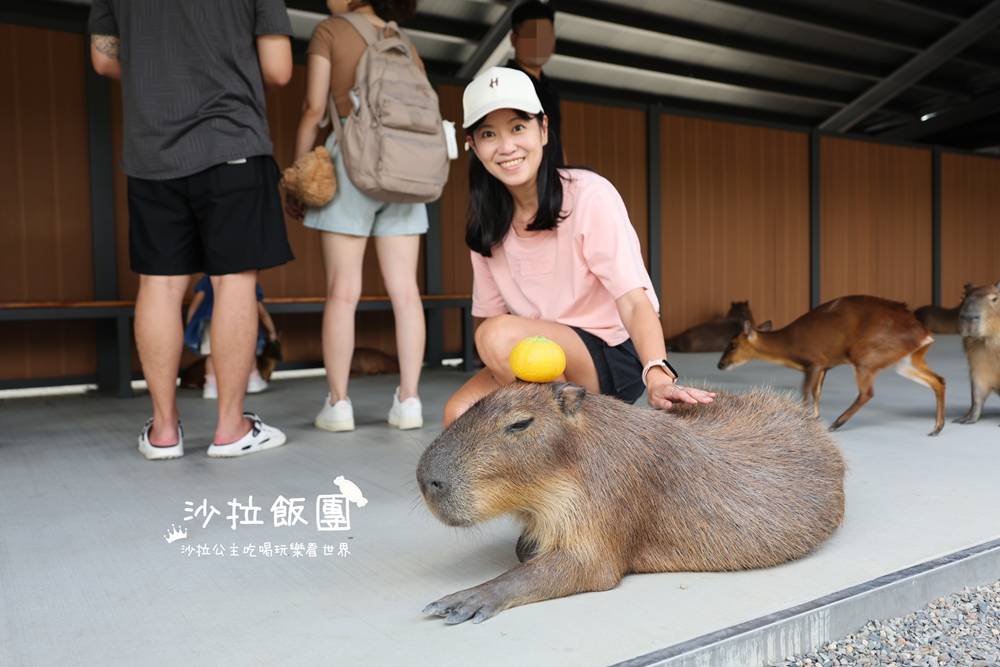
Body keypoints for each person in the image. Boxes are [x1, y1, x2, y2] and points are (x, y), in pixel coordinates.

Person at [443, 67, 716, 426]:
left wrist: (657, 372)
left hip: (610, 354)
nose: (506, 146)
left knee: (496, 334)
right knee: (459, 418)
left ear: (543, 130)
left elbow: (634, 300)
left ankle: (583, 435)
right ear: (473, 146)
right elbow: (492, 322)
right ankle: (558, 440)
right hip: (535, 361)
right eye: (489, 134)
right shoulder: (486, 224)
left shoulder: (587, 194)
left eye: (518, 127)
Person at [89, 0, 294, 460]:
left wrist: (161, 77)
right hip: (231, 141)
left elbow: (104, 59)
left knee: (159, 285)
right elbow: (279, 69)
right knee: (234, 281)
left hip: (152, 151)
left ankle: (164, 432)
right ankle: (231, 429)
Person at [287, 0, 427, 433]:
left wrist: (298, 172)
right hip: (404, 169)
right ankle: (409, 401)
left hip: (352, 163)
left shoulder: (331, 31)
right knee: (406, 293)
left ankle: (339, 403)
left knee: (343, 292)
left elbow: (314, 108)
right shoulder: (403, 39)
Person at [184, 276, 278, 399]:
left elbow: (194, 306)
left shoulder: (207, 279)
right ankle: (252, 380)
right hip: (239, 317)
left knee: (212, 354)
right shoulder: (248, 278)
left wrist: (191, 325)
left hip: (210, 320)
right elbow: (262, 312)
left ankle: (211, 387)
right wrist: (271, 331)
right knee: (247, 350)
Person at [507, 1, 562, 159]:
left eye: (546, 36)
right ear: (514, 39)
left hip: (554, 177)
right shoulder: (504, 82)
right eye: (532, 36)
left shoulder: (551, 90)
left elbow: (557, 140)